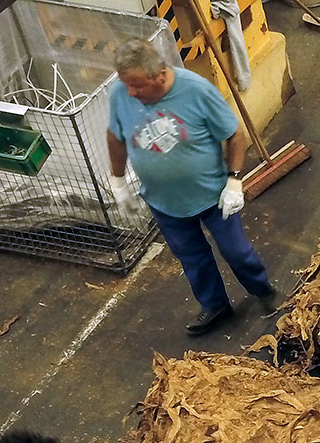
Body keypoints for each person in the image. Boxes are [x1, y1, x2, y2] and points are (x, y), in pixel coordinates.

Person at [106, 38, 276, 336]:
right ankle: (215, 306)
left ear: (160, 74)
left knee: (236, 252)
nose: (130, 93)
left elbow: (234, 134)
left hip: (212, 196)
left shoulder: (196, 90)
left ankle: (263, 291)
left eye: (137, 86)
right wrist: (118, 181)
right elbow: (115, 135)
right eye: (126, 85)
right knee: (191, 257)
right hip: (164, 201)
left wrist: (234, 181)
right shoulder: (121, 93)